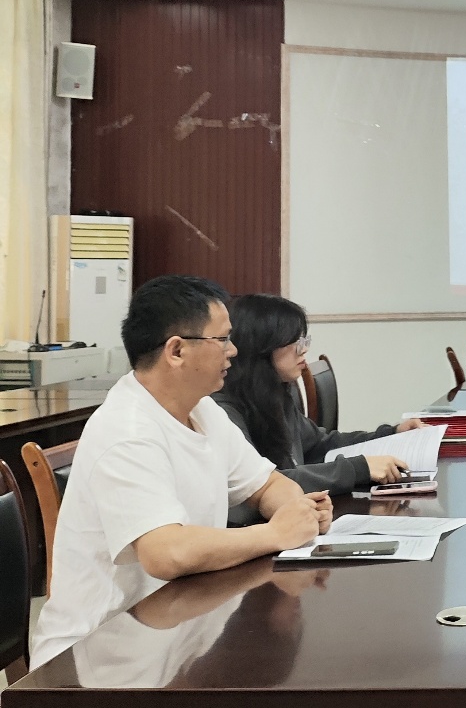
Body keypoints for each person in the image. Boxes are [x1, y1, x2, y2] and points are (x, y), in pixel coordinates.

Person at [30, 275, 332, 668]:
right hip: (103, 654)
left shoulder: (203, 410)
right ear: (176, 351)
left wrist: (298, 512)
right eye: (223, 339)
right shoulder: (126, 431)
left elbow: (266, 483)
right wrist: (275, 534)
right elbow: (166, 553)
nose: (233, 350)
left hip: (177, 627)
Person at [213, 294, 425, 498]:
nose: (303, 350)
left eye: (304, 340)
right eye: (294, 342)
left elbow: (319, 446)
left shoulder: (273, 392)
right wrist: (357, 469)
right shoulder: (222, 410)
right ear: (261, 347)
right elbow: (267, 485)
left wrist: (391, 434)